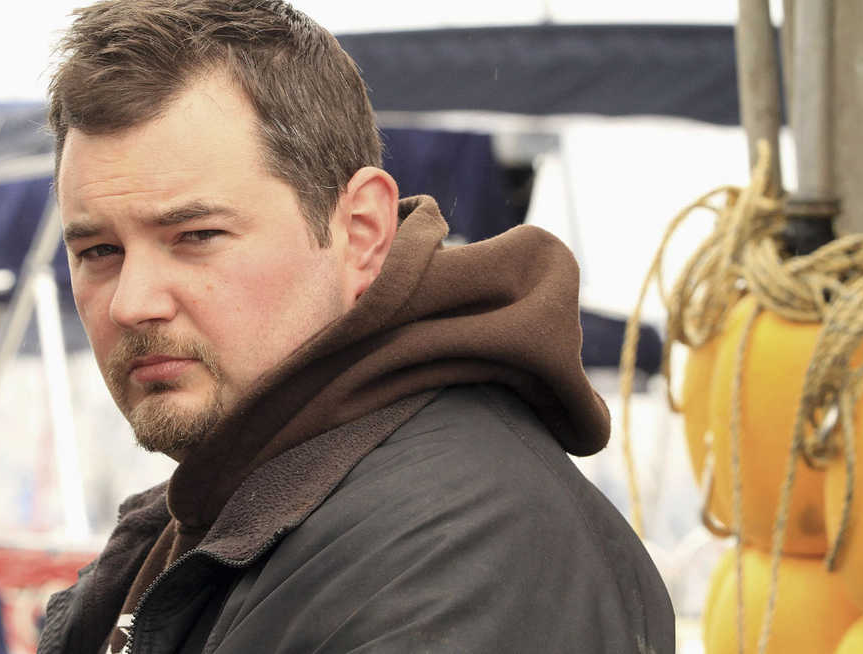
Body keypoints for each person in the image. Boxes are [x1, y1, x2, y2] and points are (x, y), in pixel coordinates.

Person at [38, 1, 675, 652]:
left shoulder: (457, 554)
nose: (131, 303)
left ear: (362, 234)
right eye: (98, 253)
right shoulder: (240, 511)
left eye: (196, 235)